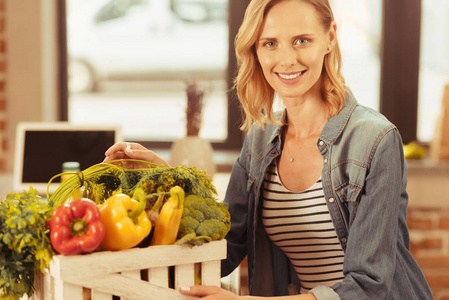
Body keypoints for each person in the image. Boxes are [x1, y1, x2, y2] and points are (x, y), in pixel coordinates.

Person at [103, 0, 433, 299]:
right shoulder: (261, 139)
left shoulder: (375, 139)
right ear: (256, 51)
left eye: (302, 40)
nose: (286, 60)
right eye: (270, 43)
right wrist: (172, 182)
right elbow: (224, 246)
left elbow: (369, 285)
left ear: (330, 37)